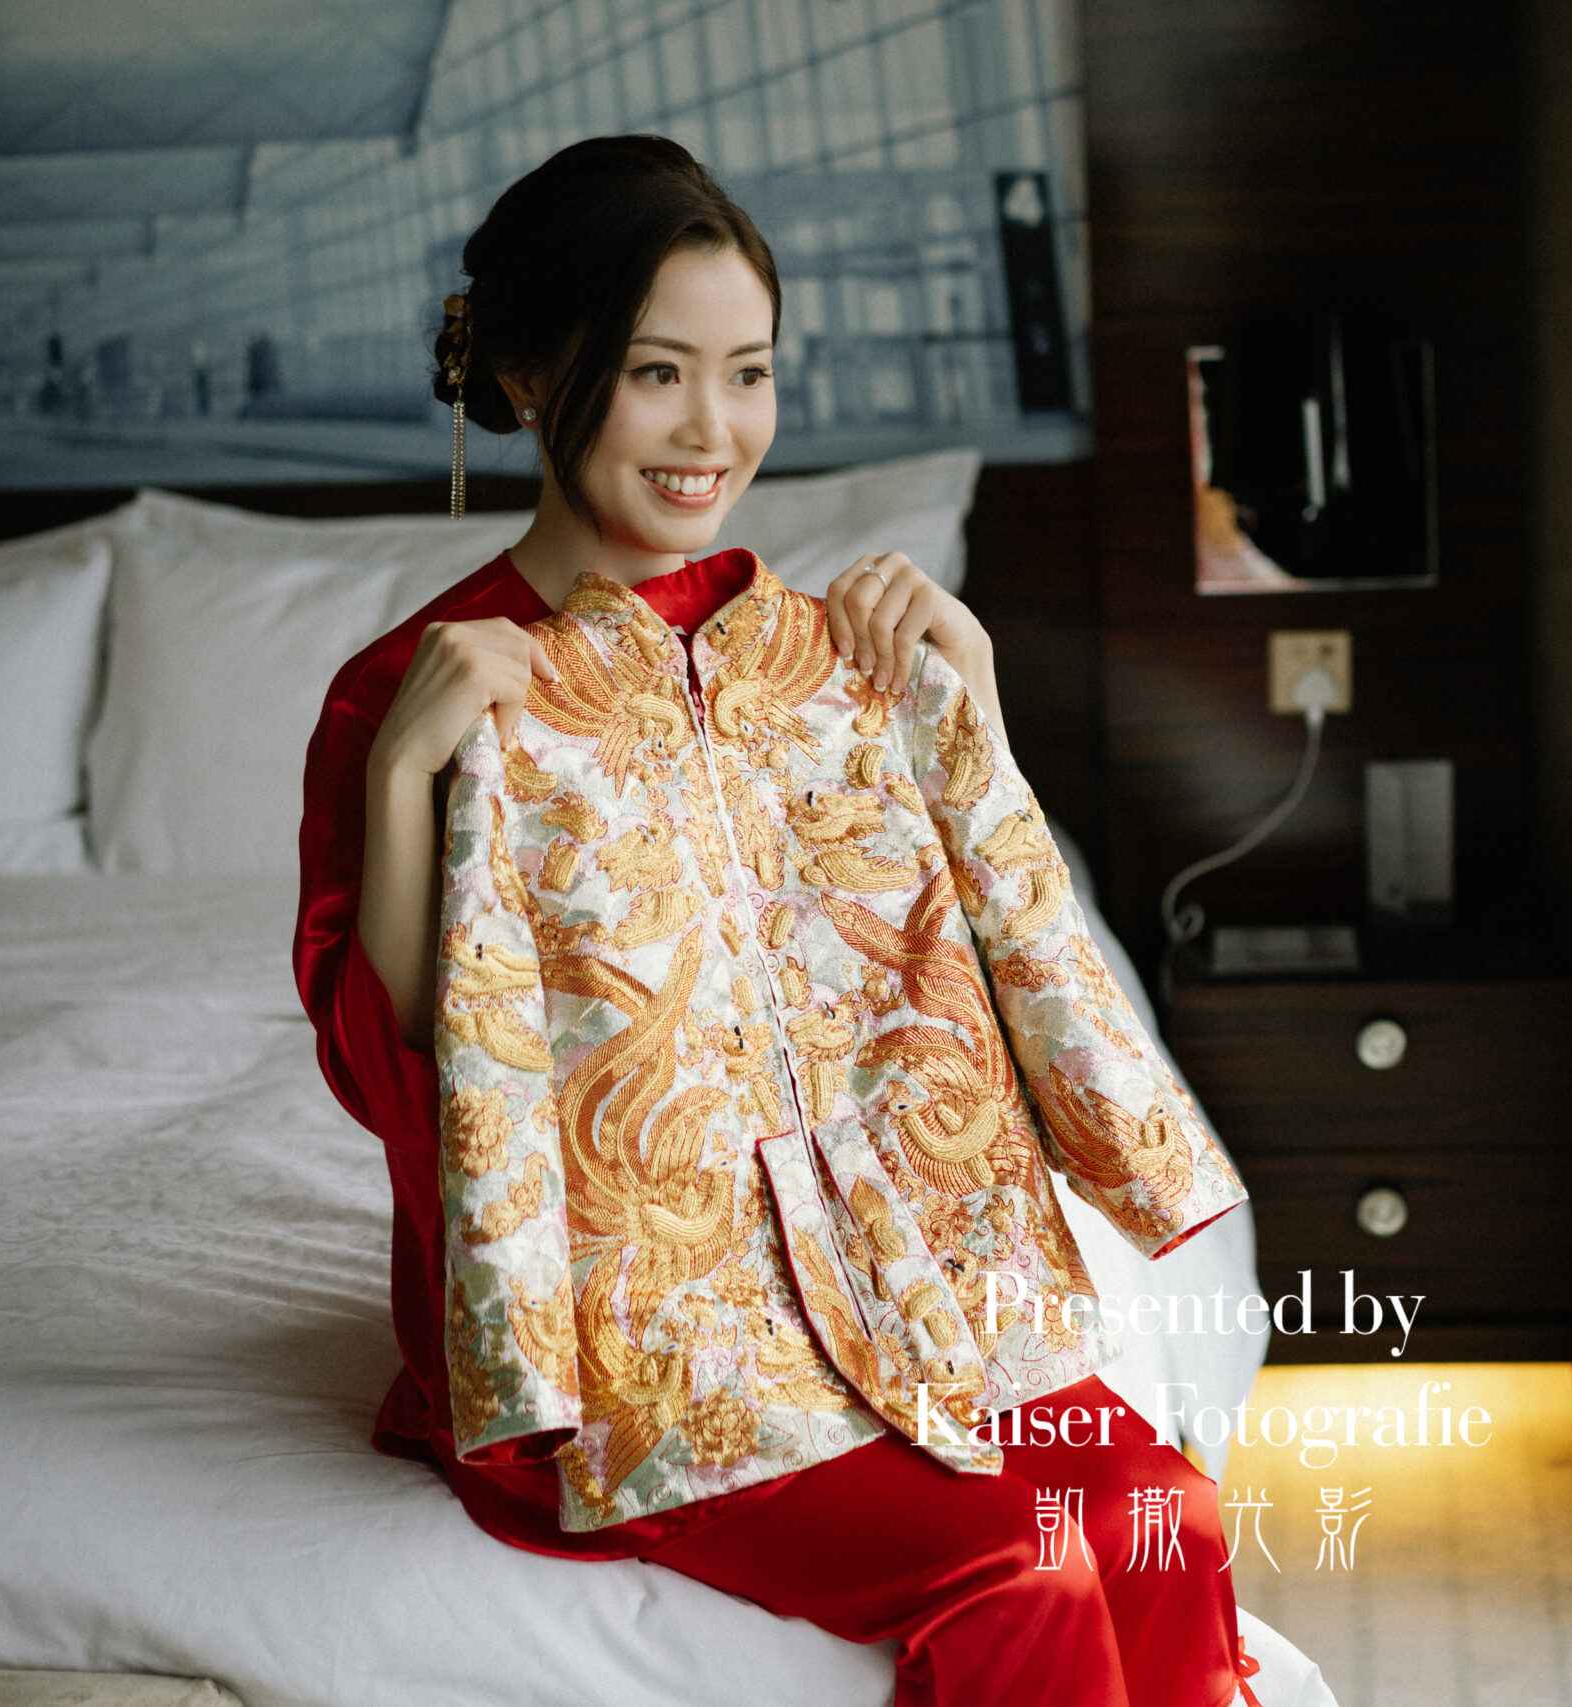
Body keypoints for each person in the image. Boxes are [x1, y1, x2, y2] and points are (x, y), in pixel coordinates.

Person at [292, 135, 1259, 1707]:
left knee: (1166, 1521)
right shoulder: (413, 688)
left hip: (899, 1276)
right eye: (656, 374)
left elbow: (1000, 951)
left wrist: (972, 700)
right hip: (623, 1336)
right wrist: (409, 770)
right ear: (530, 380)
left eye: (748, 374)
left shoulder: (834, 658)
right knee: (1021, 1572)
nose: (713, 430)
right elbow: (393, 1080)